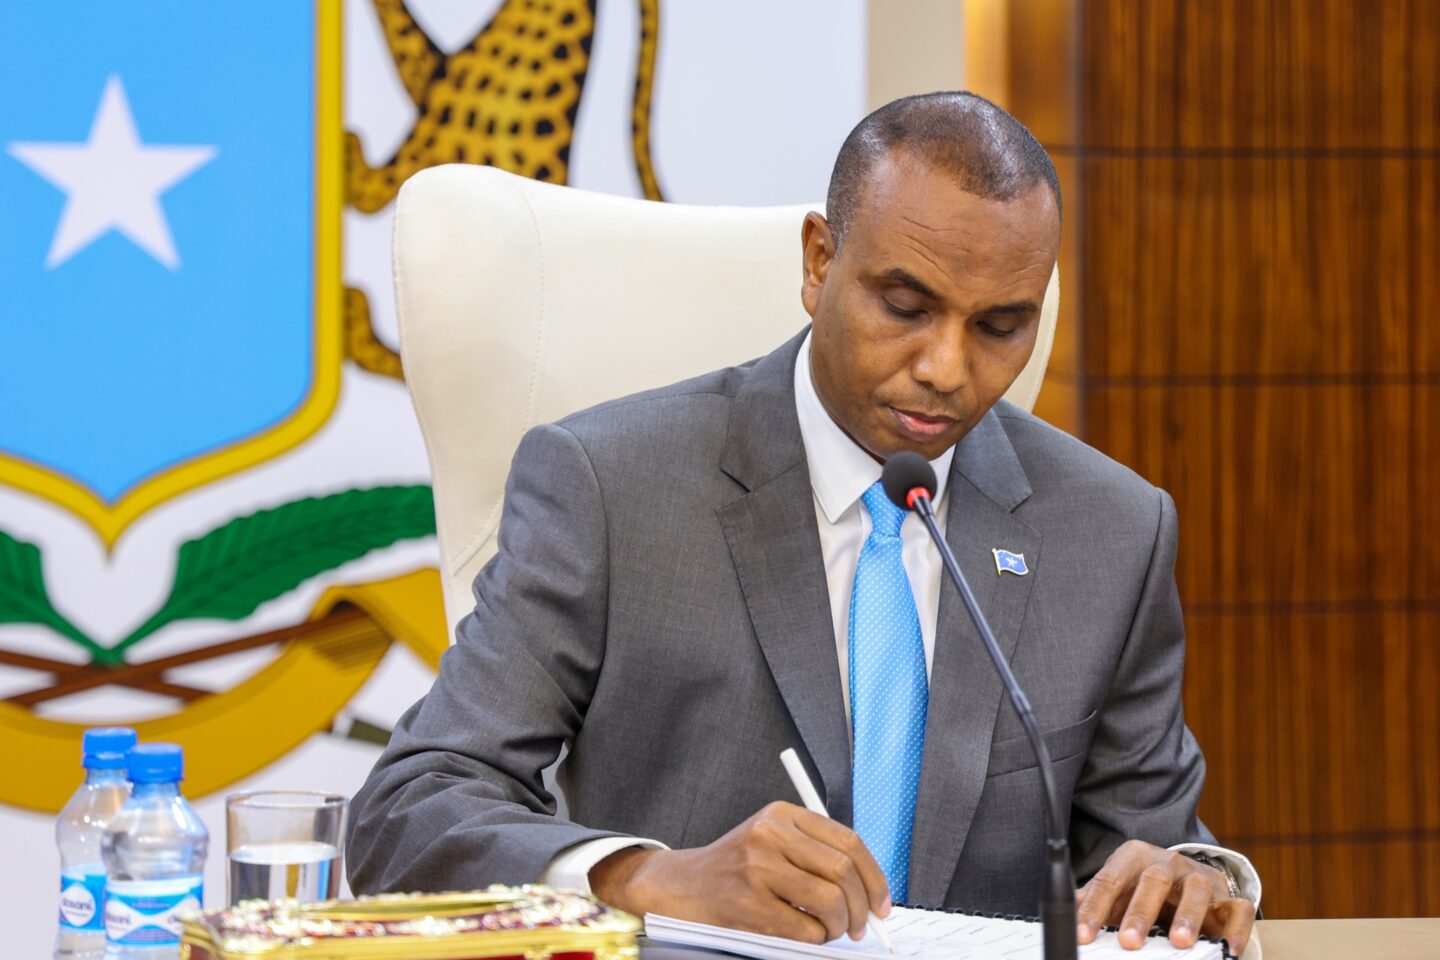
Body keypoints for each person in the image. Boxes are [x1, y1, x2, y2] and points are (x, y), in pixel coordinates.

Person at [348, 92, 1259, 956]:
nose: (946, 368)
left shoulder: (1111, 531)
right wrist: (647, 878)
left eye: (999, 327)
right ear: (819, 263)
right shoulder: (610, 489)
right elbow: (410, 811)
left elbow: (1151, 853)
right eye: (905, 307)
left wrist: (1192, 881)